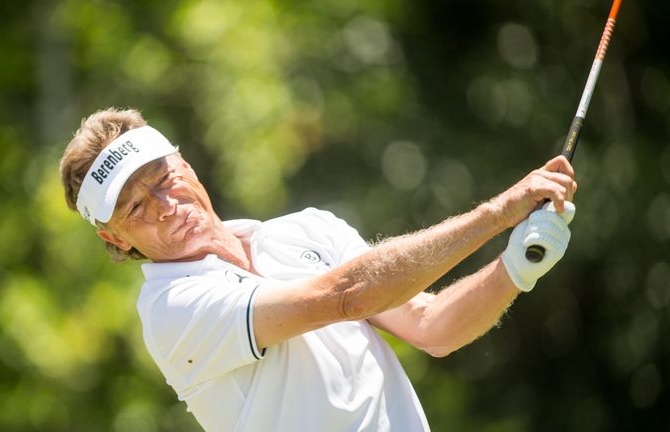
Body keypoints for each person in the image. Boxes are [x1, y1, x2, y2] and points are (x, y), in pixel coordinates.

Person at [59, 107, 577, 431]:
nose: (166, 207)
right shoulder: (171, 310)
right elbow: (347, 296)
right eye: (135, 207)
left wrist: (515, 267)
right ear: (114, 238)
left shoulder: (307, 229)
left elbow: (432, 326)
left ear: (185, 165)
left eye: (163, 179)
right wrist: (497, 214)